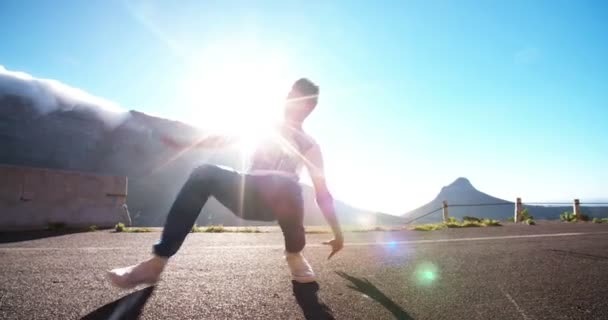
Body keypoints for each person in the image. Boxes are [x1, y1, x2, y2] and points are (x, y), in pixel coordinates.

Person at [107, 78, 344, 288]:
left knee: (290, 185)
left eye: (298, 98)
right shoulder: (265, 127)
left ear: (310, 107)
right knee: (203, 172)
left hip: (281, 202)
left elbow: (322, 193)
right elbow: (221, 139)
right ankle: (157, 262)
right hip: (248, 194)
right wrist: (182, 143)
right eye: (290, 94)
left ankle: (295, 255)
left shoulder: (311, 146)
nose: (289, 100)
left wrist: (338, 233)